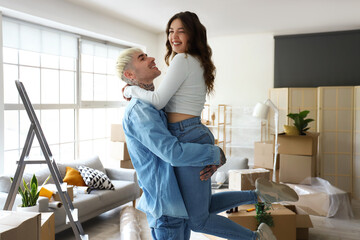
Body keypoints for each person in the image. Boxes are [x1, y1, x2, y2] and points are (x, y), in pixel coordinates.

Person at [117, 47, 298, 240]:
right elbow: (172, 153)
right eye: (142, 58)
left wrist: (130, 89)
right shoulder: (140, 112)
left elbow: (172, 149)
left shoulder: (154, 105)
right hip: (167, 201)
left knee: (200, 215)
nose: (151, 58)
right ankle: (258, 196)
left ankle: (256, 228)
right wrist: (213, 154)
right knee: (202, 211)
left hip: (171, 198)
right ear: (129, 74)